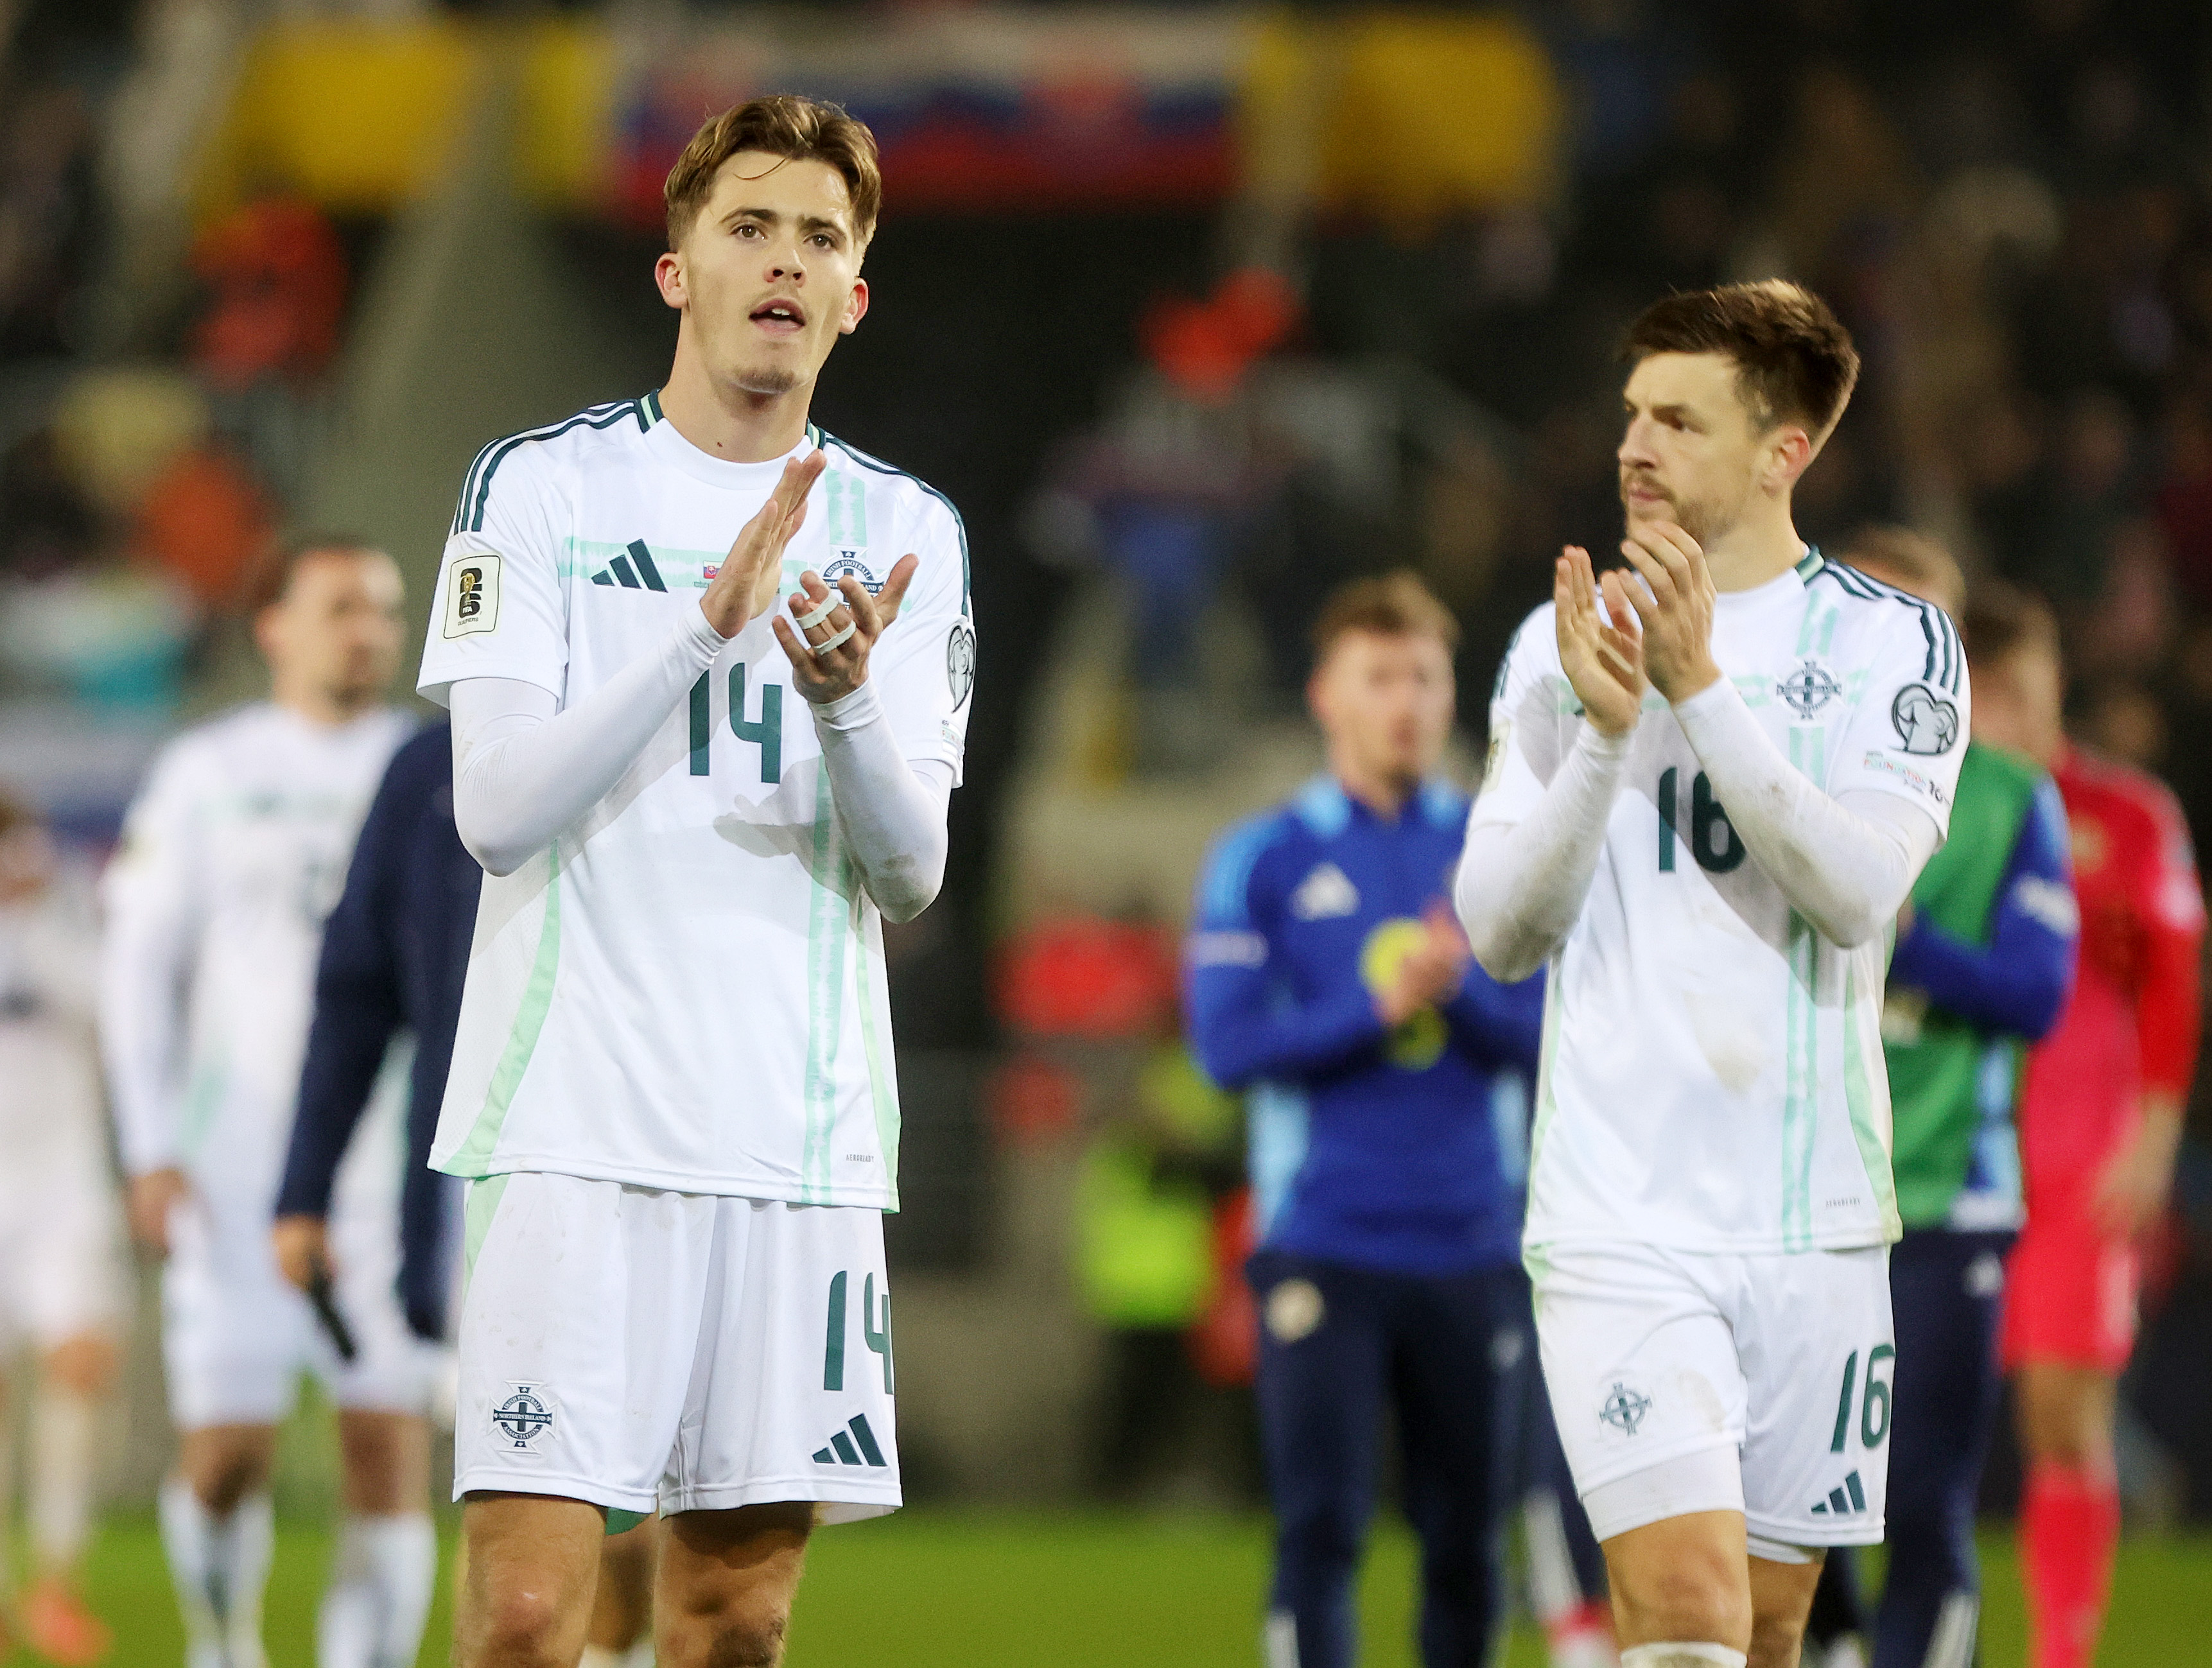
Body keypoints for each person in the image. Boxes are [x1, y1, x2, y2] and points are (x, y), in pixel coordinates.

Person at [416, 95, 971, 1668]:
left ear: (855, 296)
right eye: (749, 226)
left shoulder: (904, 532)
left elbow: (911, 869)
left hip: (793, 1146)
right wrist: (702, 627)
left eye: (820, 238)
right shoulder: (541, 491)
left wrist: (850, 695)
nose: (783, 263)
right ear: (678, 271)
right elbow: (497, 815)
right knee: (527, 1619)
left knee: (735, 1620)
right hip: (574, 1131)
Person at [1458, 281, 1970, 1668]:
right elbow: (1499, 931)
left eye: (1678, 421)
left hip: (1814, 1226)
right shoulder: (1554, 645)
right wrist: (1612, 733)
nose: (1634, 445)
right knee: (1685, 1622)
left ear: (1780, 453)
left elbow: (1860, 893)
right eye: (1632, 414)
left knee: (1768, 1638)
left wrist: (1697, 692)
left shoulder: (1890, 644)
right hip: (1622, 1214)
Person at [1187, 572, 1594, 1668]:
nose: (1406, 701)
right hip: (1322, 1241)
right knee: (1319, 1530)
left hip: (1474, 1245)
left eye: (1423, 675)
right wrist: (1377, 1007)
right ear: (1327, 694)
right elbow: (1225, 1050)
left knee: (1468, 1546)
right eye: (1380, 676)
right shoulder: (1263, 857)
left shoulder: (1500, 850)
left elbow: (1564, 1049)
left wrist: (1457, 996)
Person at [100, 534, 435, 1668]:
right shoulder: (208, 771)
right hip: (234, 1164)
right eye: (342, 606)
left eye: (386, 611)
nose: (370, 632)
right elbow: (137, 964)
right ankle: (223, 1641)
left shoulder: (433, 765)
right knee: (227, 1454)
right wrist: (149, 1146)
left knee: (387, 1445)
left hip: (391, 1163)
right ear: (274, 627)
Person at [270, 718, 659, 1668]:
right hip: (486, 1182)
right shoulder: (431, 768)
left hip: (660, 1169)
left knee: (641, 1513)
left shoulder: (681, 720)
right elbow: (356, 987)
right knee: (508, 1513)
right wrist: (304, 1188)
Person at [1800, 544, 2079, 1668]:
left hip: (1944, 1199)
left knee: (1919, 1503)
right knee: (1795, 1507)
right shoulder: (1774, 776)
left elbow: (2036, 991)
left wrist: (1906, 944)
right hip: (1803, 1199)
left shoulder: (2012, 798)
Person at [1985, 585, 2204, 1668]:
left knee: (2061, 1412)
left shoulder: (2125, 816)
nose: (2000, 719)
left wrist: (2155, 1136)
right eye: (1982, 697)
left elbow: (2171, 980)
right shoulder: (1925, 811)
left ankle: (2061, 1654)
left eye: (2015, 693)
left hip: (2083, 1145)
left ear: (2051, 687)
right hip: (1960, 1136)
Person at [0, 794, 125, 1665]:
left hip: (65, 1174)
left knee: (76, 1365)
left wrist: (41, 916)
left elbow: (116, 1009)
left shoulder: (71, 897)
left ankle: (55, 1583)